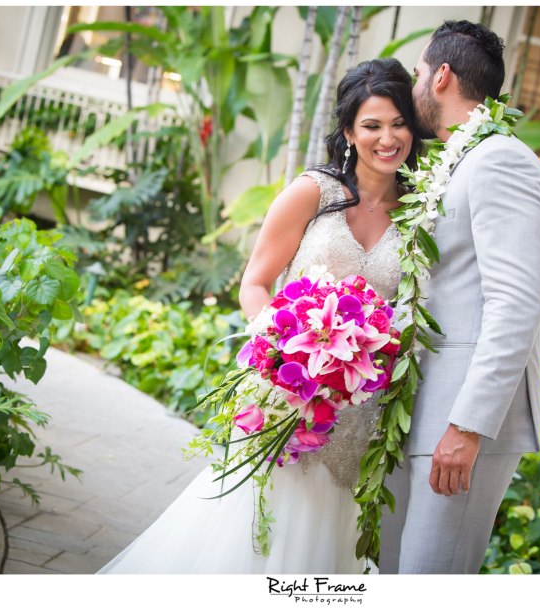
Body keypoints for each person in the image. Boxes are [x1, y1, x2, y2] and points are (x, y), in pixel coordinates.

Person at [98, 57, 420, 574]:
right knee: (256, 535)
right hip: (287, 395)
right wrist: (285, 355)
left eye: (399, 123)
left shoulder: (418, 213)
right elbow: (254, 283)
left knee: (326, 544)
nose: (388, 138)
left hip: (361, 411)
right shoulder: (313, 192)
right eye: (372, 125)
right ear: (348, 131)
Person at [379, 20, 540, 574]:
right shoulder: (463, 158)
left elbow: (515, 305)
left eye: (417, 74)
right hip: (423, 406)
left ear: (442, 77)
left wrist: (467, 426)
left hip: (460, 423)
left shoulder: (502, 161)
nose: (412, 88)